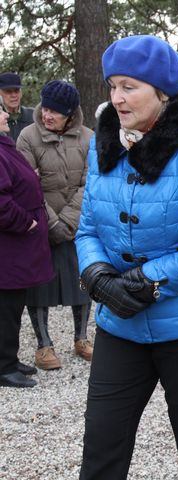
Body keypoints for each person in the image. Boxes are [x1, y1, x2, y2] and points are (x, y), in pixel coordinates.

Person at [75, 35, 178, 479]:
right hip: (120, 324)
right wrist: (97, 276)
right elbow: (87, 229)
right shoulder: (103, 143)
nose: (116, 98)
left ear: (162, 92)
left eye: (129, 87)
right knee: (101, 443)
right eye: (112, 86)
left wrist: (144, 280)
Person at [15, 80, 94, 370]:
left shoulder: (88, 137)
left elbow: (90, 183)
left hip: (76, 225)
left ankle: (81, 338)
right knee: (39, 287)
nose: (47, 115)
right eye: (45, 108)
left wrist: (69, 221)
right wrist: (51, 224)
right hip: (41, 225)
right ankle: (43, 345)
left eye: (55, 112)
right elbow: (26, 184)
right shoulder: (27, 136)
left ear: (70, 114)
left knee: (82, 280)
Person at [0, 101, 54, 388]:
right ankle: (3, 366)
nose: (5, 114)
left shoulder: (4, 145)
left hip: (16, 248)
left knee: (13, 305)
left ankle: (8, 358)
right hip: (8, 247)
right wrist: (25, 222)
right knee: (5, 309)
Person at [0, 72, 34, 142]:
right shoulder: (1, 119)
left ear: (21, 93)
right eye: (8, 92)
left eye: (16, 91)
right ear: (0, 94)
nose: (13, 95)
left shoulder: (33, 115)